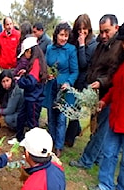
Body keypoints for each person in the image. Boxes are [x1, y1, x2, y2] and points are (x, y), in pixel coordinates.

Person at [88, 16, 124, 190]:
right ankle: (105, 184)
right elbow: (116, 87)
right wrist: (105, 101)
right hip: (116, 118)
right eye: (123, 42)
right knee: (108, 153)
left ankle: (122, 189)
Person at [69, 14, 124, 169]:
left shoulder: (120, 47)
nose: (104, 35)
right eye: (101, 32)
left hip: (109, 94)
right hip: (97, 92)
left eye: (107, 31)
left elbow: (114, 72)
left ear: (116, 28)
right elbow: (94, 64)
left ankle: (86, 160)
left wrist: (101, 82)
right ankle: (97, 158)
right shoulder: (101, 44)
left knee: (101, 129)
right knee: (98, 127)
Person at [44, 22, 79, 157]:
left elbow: (74, 71)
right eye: (62, 35)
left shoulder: (71, 50)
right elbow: (46, 66)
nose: (64, 38)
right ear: (56, 35)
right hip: (51, 86)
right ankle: (51, 142)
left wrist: (68, 82)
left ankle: (59, 146)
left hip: (64, 88)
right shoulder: (49, 48)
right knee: (51, 116)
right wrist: (47, 74)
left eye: (66, 35)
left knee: (61, 118)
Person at [65, 14, 98, 147]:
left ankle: (70, 138)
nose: (81, 32)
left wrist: (82, 45)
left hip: (82, 80)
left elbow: (83, 64)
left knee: (74, 110)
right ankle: (76, 130)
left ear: (89, 29)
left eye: (84, 29)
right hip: (72, 77)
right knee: (69, 107)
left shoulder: (93, 44)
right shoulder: (73, 40)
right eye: (79, 29)